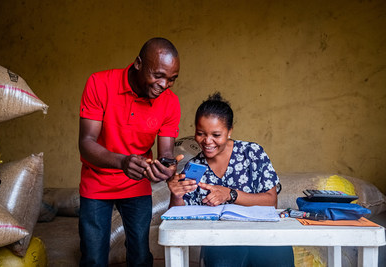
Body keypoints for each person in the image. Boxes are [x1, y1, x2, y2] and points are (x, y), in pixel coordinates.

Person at [78, 37, 182, 267]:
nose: (164, 85)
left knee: (140, 256)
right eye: (158, 75)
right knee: (93, 258)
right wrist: (122, 162)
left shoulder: (170, 103)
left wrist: (166, 167)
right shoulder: (99, 83)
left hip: (137, 184)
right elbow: (86, 143)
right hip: (97, 182)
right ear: (138, 63)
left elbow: (166, 152)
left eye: (171, 79)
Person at [167, 92, 294, 267]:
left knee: (277, 249)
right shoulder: (195, 166)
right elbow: (178, 219)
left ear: (230, 131)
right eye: (200, 133)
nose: (207, 141)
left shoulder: (252, 153)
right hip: (220, 242)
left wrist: (230, 194)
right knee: (223, 252)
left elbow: (270, 202)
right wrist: (176, 195)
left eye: (216, 135)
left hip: (262, 238)